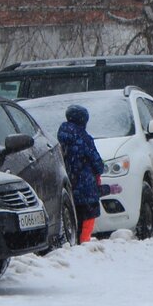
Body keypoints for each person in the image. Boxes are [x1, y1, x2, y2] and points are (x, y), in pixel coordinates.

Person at [57, 104, 105, 243]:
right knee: (89, 212)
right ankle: (84, 241)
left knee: (75, 213)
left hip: (68, 181)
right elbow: (96, 161)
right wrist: (100, 168)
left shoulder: (61, 137)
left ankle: (73, 240)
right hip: (86, 183)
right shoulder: (84, 138)